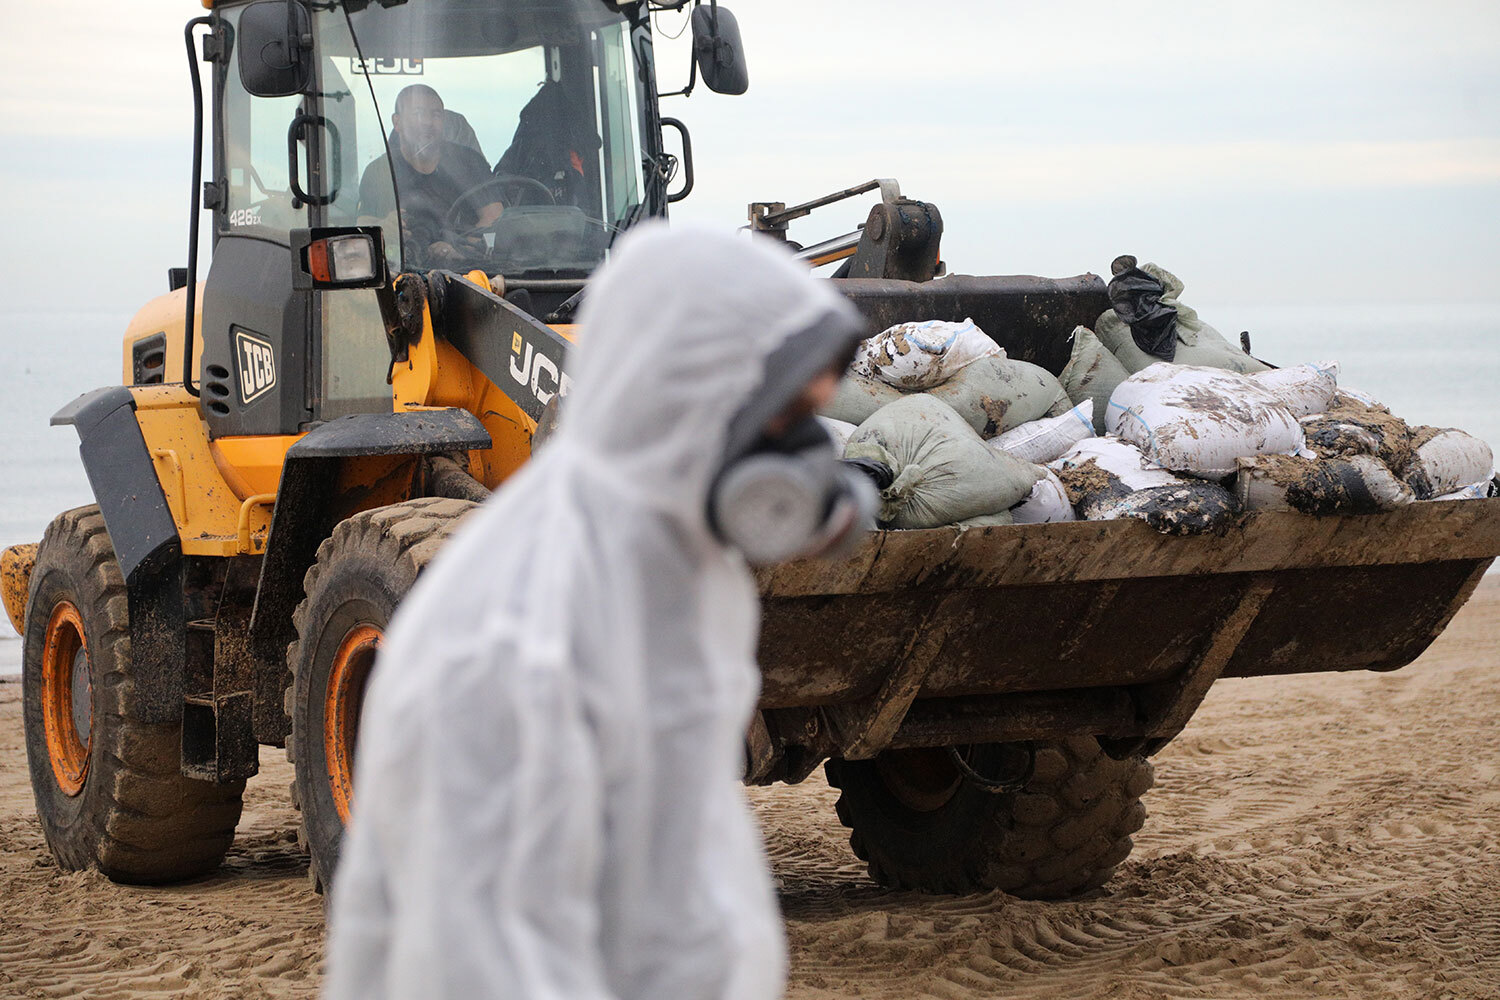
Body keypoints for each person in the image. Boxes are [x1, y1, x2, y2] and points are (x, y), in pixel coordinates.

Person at [323, 225, 873, 1000]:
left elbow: (675, 871)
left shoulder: (679, 569)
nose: (806, 466)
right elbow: (479, 963)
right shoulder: (512, 639)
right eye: (785, 424)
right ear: (684, 398)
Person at [358, 84, 505, 268]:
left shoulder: (470, 163)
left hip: (469, 275)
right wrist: (384, 228)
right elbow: (361, 223)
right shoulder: (380, 171)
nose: (427, 122)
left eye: (435, 115)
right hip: (397, 272)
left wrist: (459, 247)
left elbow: (496, 218)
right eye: (418, 113)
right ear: (397, 123)